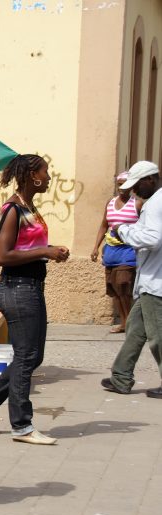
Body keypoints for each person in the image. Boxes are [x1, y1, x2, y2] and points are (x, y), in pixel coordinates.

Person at [0, 154, 70, 445]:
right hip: (18, 289)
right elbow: (3, 256)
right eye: (45, 172)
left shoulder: (29, 208)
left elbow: (28, 246)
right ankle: (22, 426)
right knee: (26, 356)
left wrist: (49, 249)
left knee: (33, 355)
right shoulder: (12, 209)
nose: (49, 177)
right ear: (32, 176)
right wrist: (44, 252)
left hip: (31, 287)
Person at [103, 161, 162, 398]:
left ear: (150, 179)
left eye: (136, 185)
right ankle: (121, 377)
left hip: (156, 283)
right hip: (149, 280)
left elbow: (153, 239)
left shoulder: (157, 203)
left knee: (157, 337)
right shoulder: (153, 202)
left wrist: (123, 231)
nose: (133, 190)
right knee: (135, 331)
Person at [90, 173, 139, 333]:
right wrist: (96, 247)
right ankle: (124, 322)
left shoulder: (137, 204)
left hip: (128, 250)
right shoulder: (110, 203)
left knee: (124, 285)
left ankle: (129, 322)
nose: (121, 188)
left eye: (125, 184)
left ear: (132, 185)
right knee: (115, 289)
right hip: (111, 251)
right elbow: (104, 225)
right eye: (119, 184)